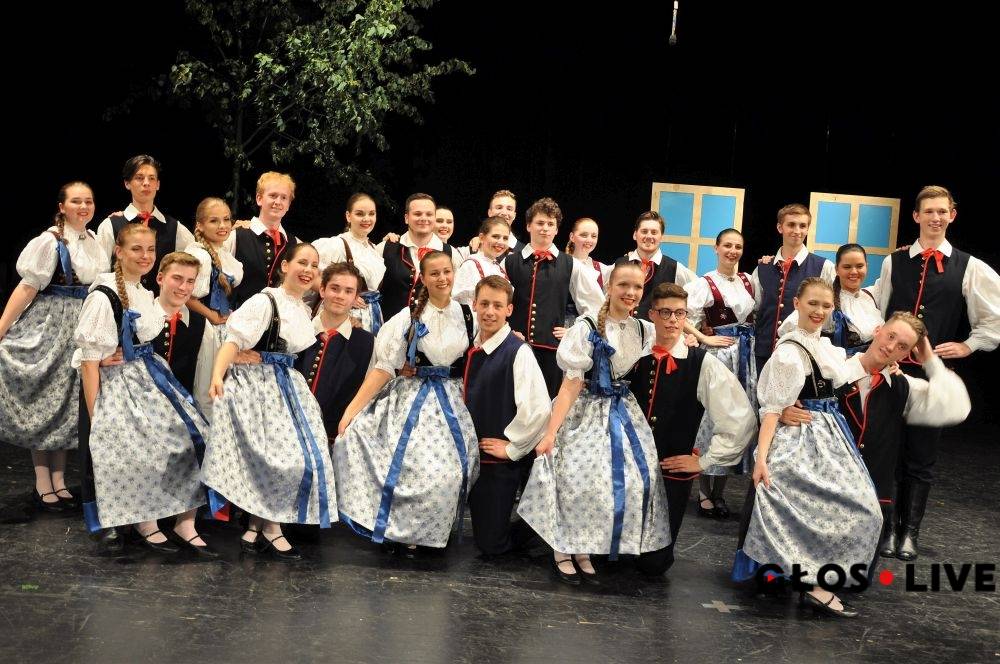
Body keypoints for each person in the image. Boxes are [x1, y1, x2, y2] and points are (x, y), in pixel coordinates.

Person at [733, 278, 880, 619]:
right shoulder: (789, 352)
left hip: (830, 437)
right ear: (796, 303)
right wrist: (761, 459)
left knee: (864, 509)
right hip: (800, 440)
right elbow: (772, 410)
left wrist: (885, 354)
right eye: (813, 303)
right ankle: (813, 585)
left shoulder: (823, 345)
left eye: (826, 306)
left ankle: (817, 579)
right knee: (818, 509)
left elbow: (845, 372)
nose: (819, 311)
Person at [517, 262, 670, 585]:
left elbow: (675, 332)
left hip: (622, 411)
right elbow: (571, 384)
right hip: (584, 411)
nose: (630, 292)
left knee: (624, 482)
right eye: (623, 285)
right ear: (609, 287)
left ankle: (584, 546)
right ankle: (562, 548)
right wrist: (551, 432)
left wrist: (699, 338)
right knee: (577, 481)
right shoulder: (586, 327)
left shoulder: (643, 329)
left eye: (637, 287)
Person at [872, 185, 1000, 560]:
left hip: (930, 377)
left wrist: (969, 345)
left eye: (942, 211)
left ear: (952, 215)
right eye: (928, 211)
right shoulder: (894, 262)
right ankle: (886, 530)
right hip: (892, 374)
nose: (935, 217)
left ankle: (909, 533)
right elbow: (877, 309)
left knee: (921, 456)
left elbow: (994, 317)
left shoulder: (968, 265)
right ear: (916, 216)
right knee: (886, 452)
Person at [779, 311, 971, 559]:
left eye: (902, 346)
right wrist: (783, 408)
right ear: (878, 331)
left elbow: (955, 407)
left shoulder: (902, 387)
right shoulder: (834, 369)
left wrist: (929, 359)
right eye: (890, 336)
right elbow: (784, 383)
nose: (891, 347)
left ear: (907, 354)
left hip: (864, 507)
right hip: (819, 496)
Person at [75, 231, 213, 557]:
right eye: (136, 249)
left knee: (196, 436)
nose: (145, 255)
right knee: (140, 449)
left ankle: (182, 522)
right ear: (119, 252)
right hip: (117, 386)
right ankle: (144, 522)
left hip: (148, 378)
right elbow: (89, 362)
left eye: (150, 249)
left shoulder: (141, 291)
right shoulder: (104, 295)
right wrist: (96, 417)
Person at [335, 251, 479, 556]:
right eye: (434, 273)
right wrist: (351, 411)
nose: (442, 278)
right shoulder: (408, 317)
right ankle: (401, 532)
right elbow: (384, 367)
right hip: (414, 398)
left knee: (449, 471)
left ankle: (431, 533)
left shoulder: (469, 315)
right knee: (409, 468)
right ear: (423, 278)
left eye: (447, 271)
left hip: (452, 401)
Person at [202, 243, 335, 561]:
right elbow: (233, 341)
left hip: (286, 386)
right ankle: (272, 529)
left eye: (313, 265)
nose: (308, 270)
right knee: (276, 459)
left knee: (295, 458)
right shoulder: (265, 301)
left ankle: (256, 527)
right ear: (285, 266)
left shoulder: (302, 308)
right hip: (257, 387)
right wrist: (217, 375)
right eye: (302, 262)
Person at [632, 283, 757, 575]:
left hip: (670, 474)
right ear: (652, 314)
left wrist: (704, 461)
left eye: (680, 313)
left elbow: (740, 418)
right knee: (613, 556)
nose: (673, 320)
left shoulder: (701, 364)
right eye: (665, 312)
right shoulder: (634, 355)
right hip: (629, 470)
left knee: (653, 564)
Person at [0, 182, 105, 513]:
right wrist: (1, 327)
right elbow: (28, 287)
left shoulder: (94, 241)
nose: (83, 206)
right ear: (62, 206)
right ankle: (42, 482)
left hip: (82, 325)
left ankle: (59, 481)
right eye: (76, 201)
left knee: (66, 405)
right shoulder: (50, 242)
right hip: (52, 325)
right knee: (45, 400)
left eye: (88, 201)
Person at [463, 275, 549, 557]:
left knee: (491, 544)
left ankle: (544, 529)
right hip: (469, 457)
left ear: (509, 310)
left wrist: (512, 448)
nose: (490, 311)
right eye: (484, 303)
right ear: (474, 304)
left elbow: (538, 409)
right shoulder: (470, 346)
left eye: (498, 306)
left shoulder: (517, 351)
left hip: (496, 463)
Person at [682, 228, 758, 517]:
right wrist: (704, 337)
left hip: (745, 357)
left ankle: (720, 492)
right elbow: (683, 314)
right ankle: (704, 492)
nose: (732, 251)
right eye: (727, 245)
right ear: (716, 248)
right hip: (720, 357)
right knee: (713, 418)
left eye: (738, 246)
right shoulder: (705, 283)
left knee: (737, 420)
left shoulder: (748, 280)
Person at [503, 197, 605, 397]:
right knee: (511, 401)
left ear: (557, 230)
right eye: (540, 223)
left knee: (547, 404)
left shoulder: (570, 264)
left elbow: (597, 306)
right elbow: (496, 303)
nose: (545, 228)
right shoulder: (510, 262)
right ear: (528, 226)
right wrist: (506, 330)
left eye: (550, 224)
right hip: (513, 347)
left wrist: (575, 331)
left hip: (551, 353)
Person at [295, 262, 375, 443]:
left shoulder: (368, 344)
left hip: (333, 441)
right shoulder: (298, 330)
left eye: (348, 291)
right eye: (335, 288)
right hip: (289, 434)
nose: (340, 296)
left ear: (356, 298)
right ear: (322, 290)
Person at [750, 204, 835, 371]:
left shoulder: (824, 266)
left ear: (808, 229)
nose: (797, 230)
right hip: (764, 355)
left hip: (804, 356)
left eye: (802, 226)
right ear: (779, 227)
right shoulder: (762, 268)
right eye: (791, 225)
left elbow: (831, 314)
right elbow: (755, 310)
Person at [95, 155, 195, 295]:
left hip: (159, 304)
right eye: (139, 178)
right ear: (127, 183)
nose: (146, 183)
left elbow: (195, 262)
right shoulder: (111, 225)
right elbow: (100, 272)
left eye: (151, 178)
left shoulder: (174, 227)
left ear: (158, 184)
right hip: (121, 301)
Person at [183, 197, 244, 417]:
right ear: (199, 225)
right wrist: (212, 316)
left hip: (223, 329)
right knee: (206, 389)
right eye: (214, 221)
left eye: (226, 219)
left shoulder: (223, 252)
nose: (222, 225)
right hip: (205, 330)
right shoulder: (199, 255)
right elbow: (186, 296)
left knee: (224, 390)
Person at [779, 243, 882, 356]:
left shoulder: (871, 296)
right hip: (840, 365)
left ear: (867, 266)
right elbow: (788, 328)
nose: (854, 271)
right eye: (847, 267)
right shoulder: (826, 301)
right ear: (837, 269)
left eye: (859, 266)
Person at [378, 193, 463, 319]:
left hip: (434, 327)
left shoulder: (451, 253)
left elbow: (459, 294)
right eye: (417, 214)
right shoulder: (385, 248)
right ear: (406, 218)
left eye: (429, 214)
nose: (424, 218)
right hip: (390, 325)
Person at [313, 193, 387, 334]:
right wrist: (348, 296)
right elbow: (311, 277)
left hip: (372, 315)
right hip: (342, 315)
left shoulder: (374, 249)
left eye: (371, 214)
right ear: (348, 216)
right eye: (360, 214)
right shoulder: (336, 245)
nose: (366, 219)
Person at [228, 172, 299, 307]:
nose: (278, 202)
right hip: (237, 315)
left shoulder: (295, 244)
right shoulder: (237, 236)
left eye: (284, 198)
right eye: (273, 195)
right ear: (259, 199)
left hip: (278, 317)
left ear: (289, 204)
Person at [616, 211, 697, 321]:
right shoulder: (619, 264)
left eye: (654, 232)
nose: (649, 236)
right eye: (644, 231)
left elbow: (698, 294)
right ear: (635, 235)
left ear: (661, 237)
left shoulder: (674, 267)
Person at [452, 217, 511, 306]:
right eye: (495, 236)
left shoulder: (498, 267)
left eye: (505, 238)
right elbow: (460, 304)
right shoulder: (470, 265)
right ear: (482, 238)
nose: (501, 242)